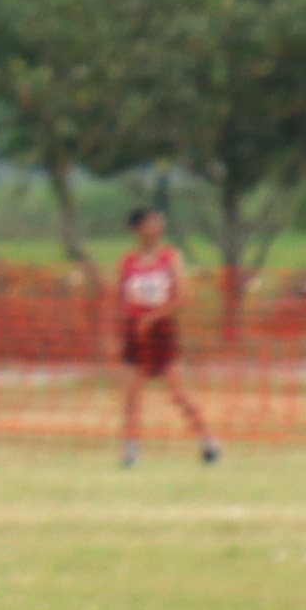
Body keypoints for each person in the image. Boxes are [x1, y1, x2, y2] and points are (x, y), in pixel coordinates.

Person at [115, 201, 221, 469]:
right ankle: (131, 448)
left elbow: (184, 297)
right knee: (132, 394)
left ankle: (208, 441)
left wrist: (153, 318)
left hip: (162, 332)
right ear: (136, 229)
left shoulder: (170, 257)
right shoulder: (127, 262)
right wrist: (123, 329)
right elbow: (120, 300)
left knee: (178, 392)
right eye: (151, 222)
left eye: (159, 222)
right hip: (135, 334)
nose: (157, 227)